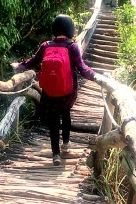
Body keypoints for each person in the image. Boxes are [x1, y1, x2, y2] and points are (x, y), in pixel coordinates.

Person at [11, 14, 97, 166]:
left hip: (49, 91)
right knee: (65, 113)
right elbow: (82, 69)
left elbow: (33, 61)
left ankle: (55, 154)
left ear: (55, 28)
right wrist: (95, 76)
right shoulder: (72, 46)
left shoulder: (46, 46)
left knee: (53, 120)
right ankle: (66, 143)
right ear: (71, 29)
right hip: (68, 92)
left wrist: (20, 65)